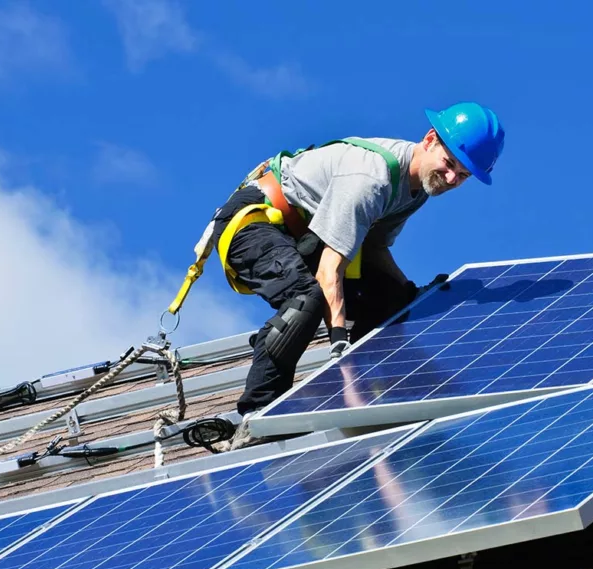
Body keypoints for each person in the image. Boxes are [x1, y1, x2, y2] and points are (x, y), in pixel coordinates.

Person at [208, 102, 505, 448]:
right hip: (252, 222)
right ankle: (257, 417)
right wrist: (339, 348)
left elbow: (375, 249)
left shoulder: (415, 190)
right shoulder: (372, 179)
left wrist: (409, 293)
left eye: (464, 175)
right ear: (429, 140)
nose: (452, 178)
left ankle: (381, 390)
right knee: (306, 299)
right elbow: (328, 270)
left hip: (304, 237)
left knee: (393, 302)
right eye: (450, 163)